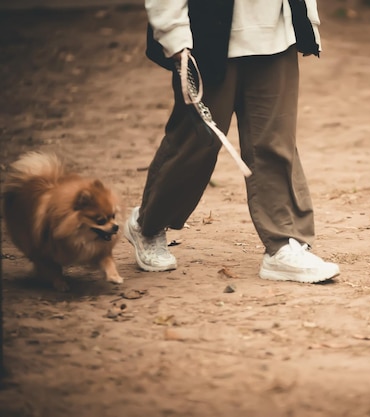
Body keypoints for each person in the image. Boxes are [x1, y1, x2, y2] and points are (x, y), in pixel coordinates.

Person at [124, 0, 340, 283]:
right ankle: (149, 224)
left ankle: (284, 244)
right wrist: (172, 31)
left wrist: (307, 20)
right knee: (197, 142)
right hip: (206, 35)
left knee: (275, 141)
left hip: (276, 34)